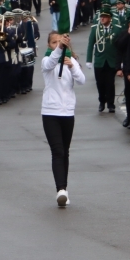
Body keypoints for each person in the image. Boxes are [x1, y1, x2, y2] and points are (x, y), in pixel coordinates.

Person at [41, 32, 86, 208]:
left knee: (65, 151)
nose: (57, 44)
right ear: (49, 45)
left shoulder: (71, 60)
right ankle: (60, 189)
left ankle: (64, 190)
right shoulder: (47, 61)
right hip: (50, 112)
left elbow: (81, 80)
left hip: (67, 112)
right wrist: (59, 49)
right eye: (54, 42)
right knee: (58, 151)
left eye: (59, 42)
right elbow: (51, 62)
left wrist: (72, 66)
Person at [86, 7, 118, 113]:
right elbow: (91, 44)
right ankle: (102, 101)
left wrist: (120, 61)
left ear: (110, 18)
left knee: (110, 83)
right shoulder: (95, 29)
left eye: (105, 17)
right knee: (100, 83)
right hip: (99, 61)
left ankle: (111, 104)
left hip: (111, 61)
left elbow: (120, 46)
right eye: (101, 17)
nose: (102, 19)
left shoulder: (116, 29)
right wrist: (89, 60)